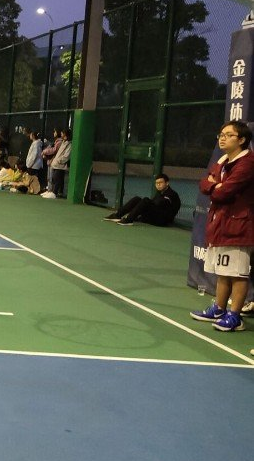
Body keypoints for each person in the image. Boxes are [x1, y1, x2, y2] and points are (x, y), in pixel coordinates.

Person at [190, 120, 254, 332]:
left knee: (237, 273)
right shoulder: (223, 160)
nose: (222, 138)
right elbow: (204, 184)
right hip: (220, 223)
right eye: (221, 135)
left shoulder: (247, 163)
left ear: (242, 140)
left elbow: (224, 192)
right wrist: (214, 185)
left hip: (240, 227)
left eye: (228, 135)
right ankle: (219, 309)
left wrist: (216, 185)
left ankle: (235, 316)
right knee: (223, 271)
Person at [103, 174, 182, 226]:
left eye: (160, 182)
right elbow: (154, 205)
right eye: (156, 183)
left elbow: (160, 205)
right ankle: (117, 215)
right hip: (154, 216)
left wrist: (142, 210)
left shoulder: (172, 194)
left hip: (163, 221)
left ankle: (128, 220)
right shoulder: (159, 193)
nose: (158, 185)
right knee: (137, 199)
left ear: (167, 183)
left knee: (146, 200)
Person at [42, 129, 72, 199]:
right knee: (54, 178)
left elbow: (66, 156)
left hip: (60, 165)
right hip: (56, 164)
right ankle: (52, 192)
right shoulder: (63, 142)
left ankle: (54, 193)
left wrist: (59, 161)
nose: (61, 134)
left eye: (62, 133)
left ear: (66, 135)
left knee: (57, 179)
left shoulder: (69, 144)